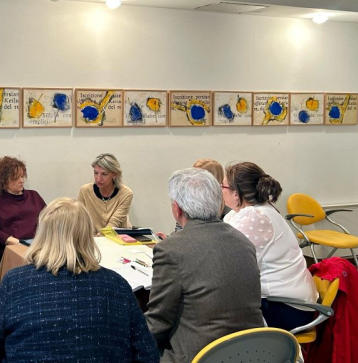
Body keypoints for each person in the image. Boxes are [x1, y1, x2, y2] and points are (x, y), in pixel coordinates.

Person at [0, 197, 159, 363]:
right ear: (87, 236)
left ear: (42, 234)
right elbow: (148, 354)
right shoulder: (117, 284)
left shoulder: (14, 282)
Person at [146, 168, 263, 363]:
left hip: (201, 355)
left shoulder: (170, 249)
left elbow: (158, 321)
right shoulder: (244, 242)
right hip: (252, 353)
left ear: (177, 208)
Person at [222, 162, 317, 331]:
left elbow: (225, 261)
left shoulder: (254, 216)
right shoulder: (255, 210)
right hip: (288, 300)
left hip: (287, 308)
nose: (219, 190)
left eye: (222, 186)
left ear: (236, 193)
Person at [0, 156, 46, 268]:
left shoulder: (34, 196)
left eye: (22, 176)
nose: (21, 180)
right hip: (11, 247)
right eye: (16, 178)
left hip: (37, 245)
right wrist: (10, 240)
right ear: (4, 181)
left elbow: (49, 218)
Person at [77, 153, 133, 231]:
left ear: (114, 175)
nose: (98, 179)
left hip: (118, 235)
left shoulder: (126, 193)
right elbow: (80, 219)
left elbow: (114, 222)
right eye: (96, 173)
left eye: (104, 174)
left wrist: (100, 236)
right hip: (93, 236)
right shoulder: (85, 191)